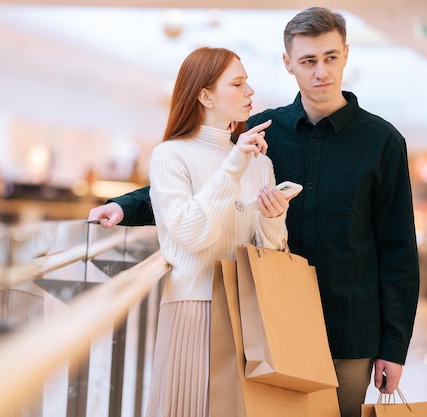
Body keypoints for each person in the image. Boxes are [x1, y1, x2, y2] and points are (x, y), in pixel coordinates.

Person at [87, 7, 420, 417]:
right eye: (308, 61)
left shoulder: (383, 142)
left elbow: (398, 251)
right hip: (266, 322)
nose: (322, 72)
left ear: (346, 54)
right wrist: (123, 205)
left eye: (331, 57)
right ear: (288, 64)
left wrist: (394, 347)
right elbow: (201, 181)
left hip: (349, 330)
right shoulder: (259, 133)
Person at [139, 46, 290, 417]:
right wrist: (234, 163)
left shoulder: (260, 163)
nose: (250, 92)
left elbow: (271, 255)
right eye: (238, 84)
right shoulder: (170, 156)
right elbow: (191, 233)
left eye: (247, 83)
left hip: (247, 315)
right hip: (193, 309)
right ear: (206, 96)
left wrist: (273, 217)